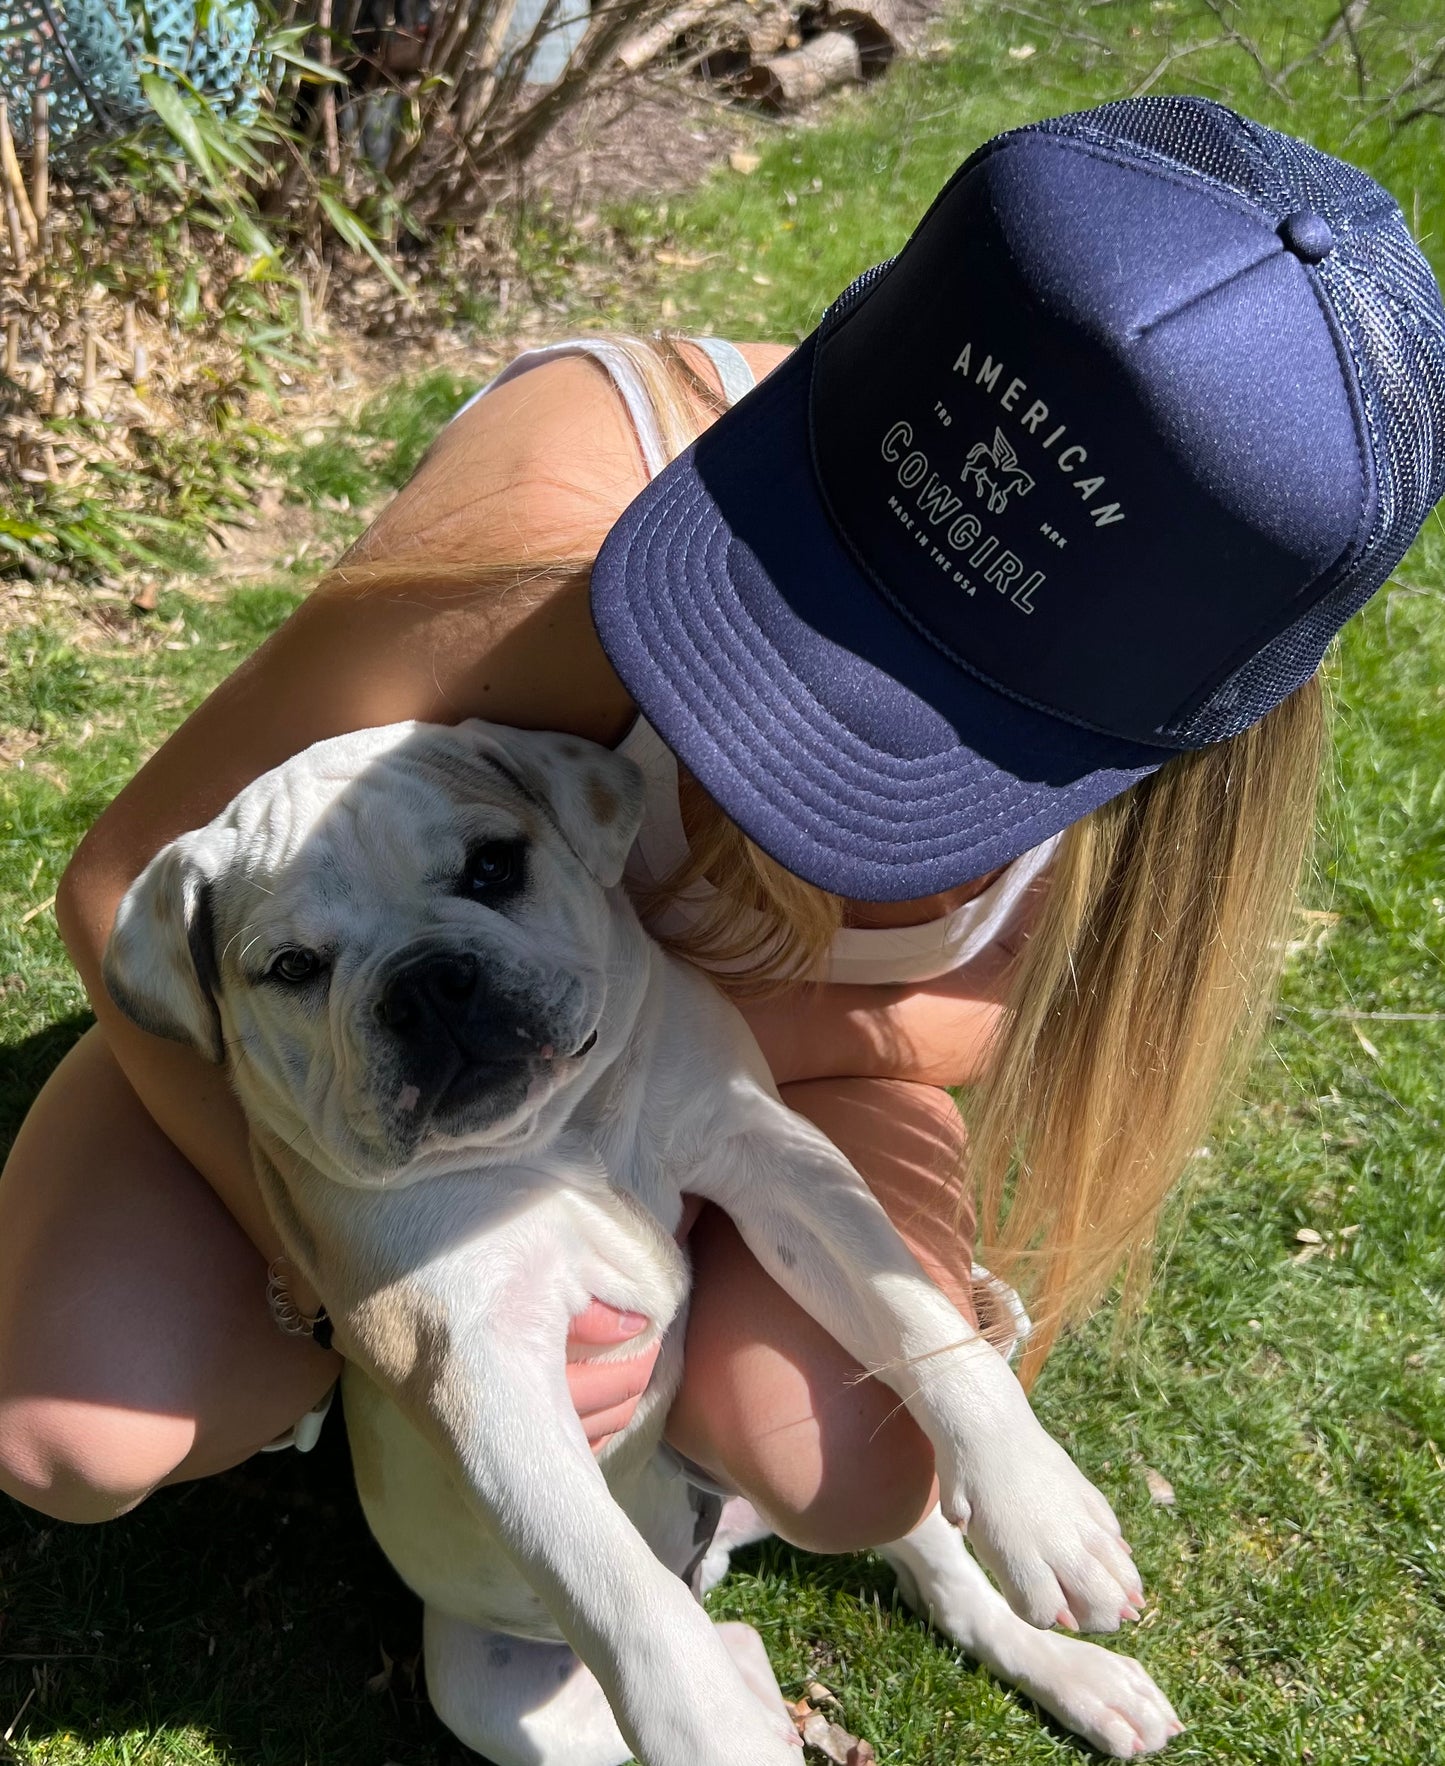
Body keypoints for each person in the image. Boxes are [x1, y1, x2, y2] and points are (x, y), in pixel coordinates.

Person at [1, 96, 1442, 1593]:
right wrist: (359, 1281)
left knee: (847, 1466)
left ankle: (658, 1402)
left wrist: (660, 1110)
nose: (802, 711)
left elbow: (947, 1033)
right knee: (74, 1417)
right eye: (787, 585)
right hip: (370, 1064)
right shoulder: (560, 514)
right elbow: (122, 884)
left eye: (934, 729)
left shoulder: (1166, 805)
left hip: (707, 1081)